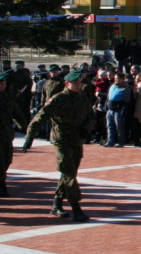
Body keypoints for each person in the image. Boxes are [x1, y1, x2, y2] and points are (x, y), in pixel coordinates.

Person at [23, 71, 96, 221]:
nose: (78, 85)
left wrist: (86, 129)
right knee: (68, 174)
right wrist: (29, 137)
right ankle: (76, 209)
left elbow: (91, 116)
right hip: (61, 140)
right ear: (66, 84)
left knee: (69, 173)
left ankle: (56, 205)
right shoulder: (58, 99)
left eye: (79, 83)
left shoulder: (83, 98)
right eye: (75, 83)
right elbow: (40, 117)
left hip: (76, 140)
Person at [0, 73, 29, 196]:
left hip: (6, 133)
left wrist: (25, 127)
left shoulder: (8, 98)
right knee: (0, 161)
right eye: (0, 84)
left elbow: (16, 114)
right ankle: (1, 186)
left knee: (7, 159)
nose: (2, 85)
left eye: (3, 83)